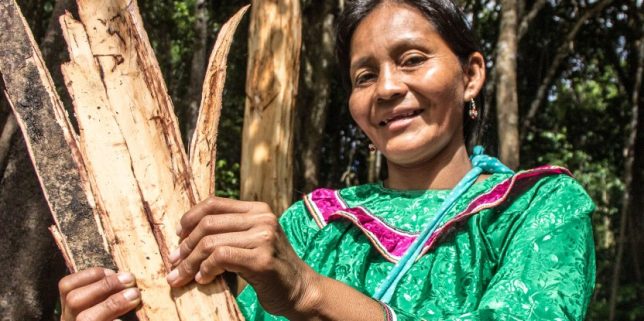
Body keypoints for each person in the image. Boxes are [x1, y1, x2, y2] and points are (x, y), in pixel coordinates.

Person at [57, 0, 596, 320]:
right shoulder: (311, 223)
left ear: (471, 75)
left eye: (412, 59)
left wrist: (308, 292)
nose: (387, 88)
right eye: (364, 76)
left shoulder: (538, 207)